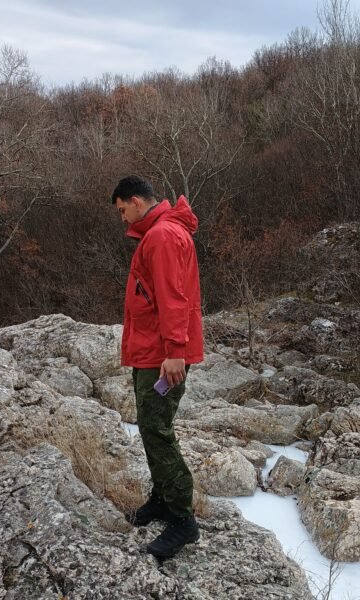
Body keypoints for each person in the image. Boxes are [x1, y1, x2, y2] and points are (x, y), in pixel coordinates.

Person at [111, 175, 204, 560]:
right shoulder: (161, 232)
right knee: (152, 428)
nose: (122, 219)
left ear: (136, 201)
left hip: (162, 354)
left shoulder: (163, 235)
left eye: (122, 210)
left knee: (156, 429)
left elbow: (172, 298)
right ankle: (163, 499)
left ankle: (182, 520)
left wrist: (175, 351)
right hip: (154, 350)